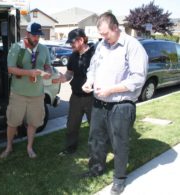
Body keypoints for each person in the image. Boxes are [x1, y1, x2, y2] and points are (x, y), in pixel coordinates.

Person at [82, 12, 148, 195]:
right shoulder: (102, 45)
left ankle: (119, 179)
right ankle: (96, 168)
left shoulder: (132, 46)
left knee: (119, 142)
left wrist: (111, 89)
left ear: (116, 28)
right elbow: (93, 68)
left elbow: (138, 79)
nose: (103, 38)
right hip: (99, 102)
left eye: (106, 34)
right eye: (101, 35)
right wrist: (89, 81)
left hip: (121, 105)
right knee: (96, 139)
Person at [0, 22, 52, 159]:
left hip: (37, 95)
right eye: (34, 35)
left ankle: (29, 147)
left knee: (33, 123)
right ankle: (9, 146)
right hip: (18, 94)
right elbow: (10, 69)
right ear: (27, 34)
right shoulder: (16, 48)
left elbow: (48, 66)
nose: (36, 38)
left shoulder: (44, 49)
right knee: (12, 122)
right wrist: (29, 73)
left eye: (38, 36)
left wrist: (48, 72)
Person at [52, 28, 94, 156]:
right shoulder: (73, 56)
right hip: (76, 96)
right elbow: (70, 73)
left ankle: (96, 150)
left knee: (96, 126)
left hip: (92, 97)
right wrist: (62, 79)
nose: (71, 45)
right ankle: (70, 148)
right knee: (71, 124)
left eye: (72, 42)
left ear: (81, 40)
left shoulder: (95, 54)